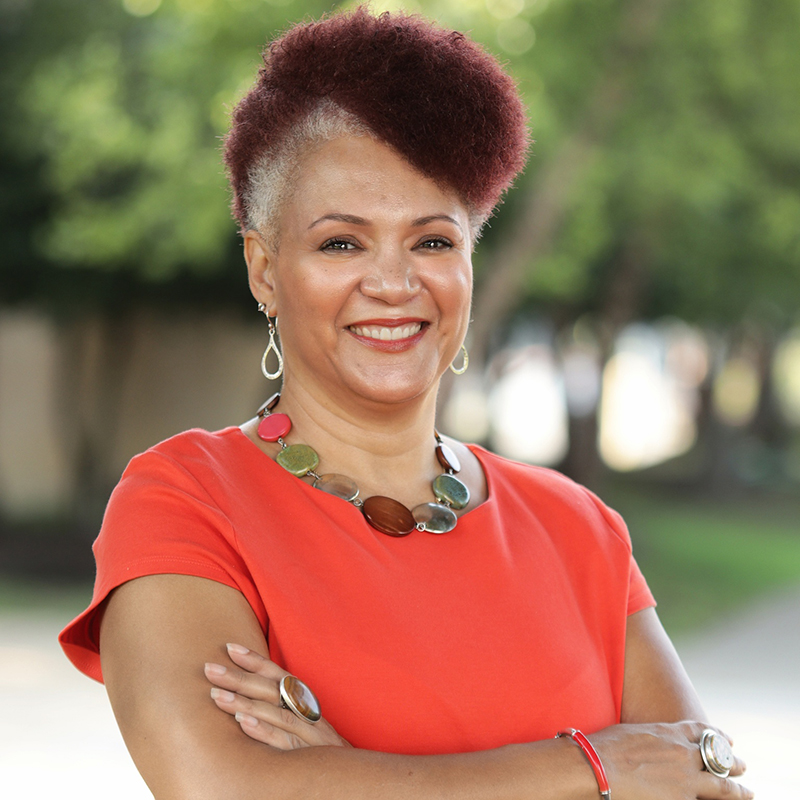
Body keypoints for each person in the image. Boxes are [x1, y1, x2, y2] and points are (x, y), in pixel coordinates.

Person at [60, 8, 752, 799]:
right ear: (263, 268)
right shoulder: (188, 500)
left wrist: (342, 772)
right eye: (341, 243)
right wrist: (596, 765)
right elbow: (222, 786)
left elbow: (703, 784)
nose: (394, 284)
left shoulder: (580, 530)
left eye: (432, 241)